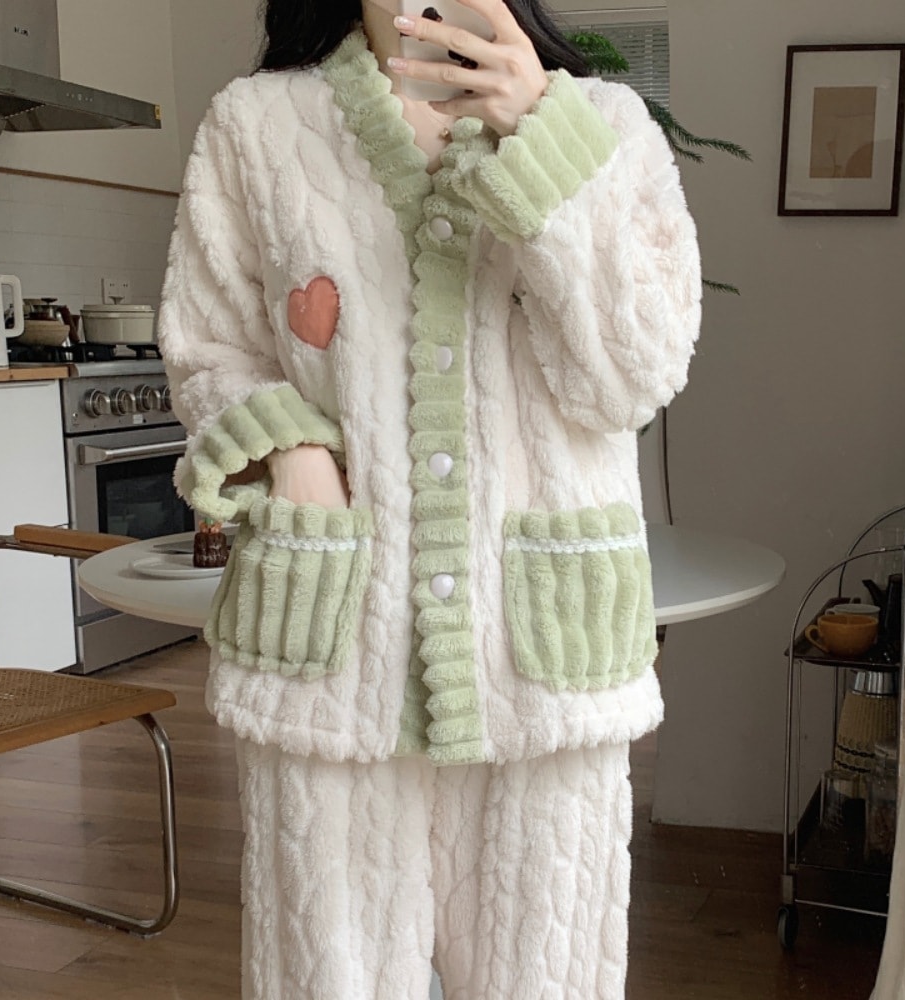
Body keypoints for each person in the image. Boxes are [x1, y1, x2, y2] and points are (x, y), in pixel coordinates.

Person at [158, 0, 701, 996]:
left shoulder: (606, 126)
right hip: (335, 638)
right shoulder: (257, 125)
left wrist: (539, 141)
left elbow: (633, 375)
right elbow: (209, 345)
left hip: (540, 652)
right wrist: (293, 449)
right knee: (325, 978)